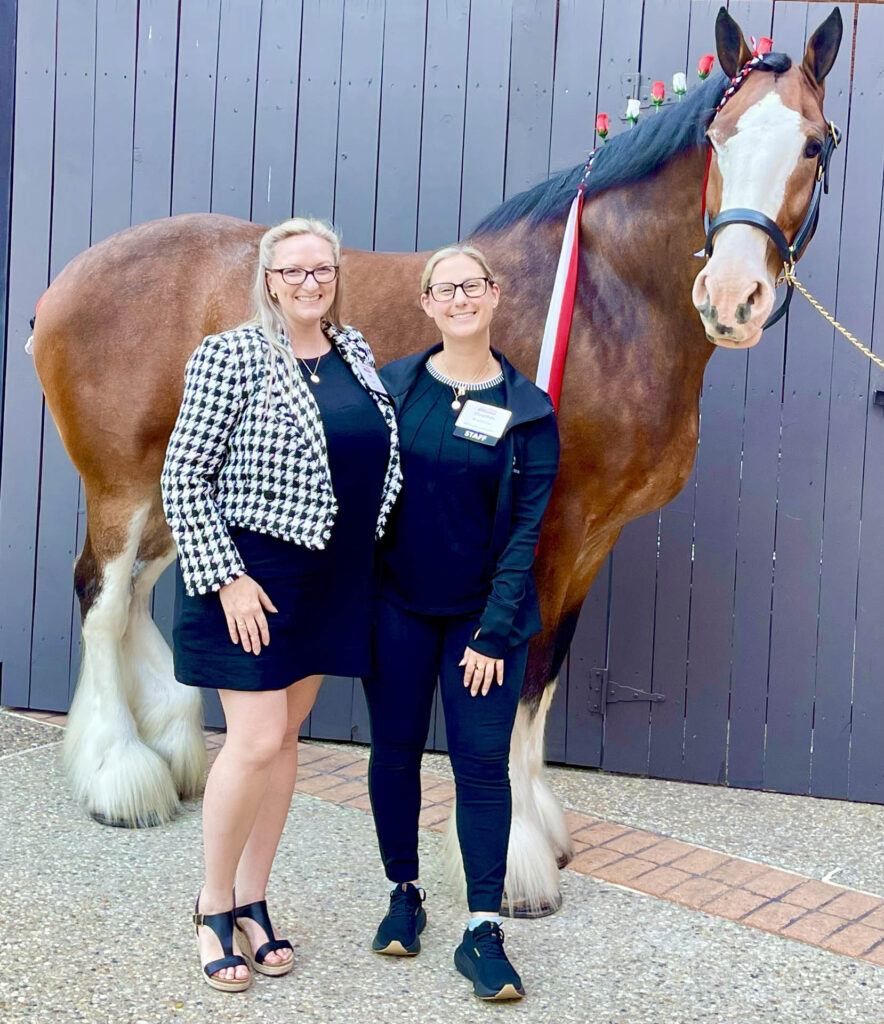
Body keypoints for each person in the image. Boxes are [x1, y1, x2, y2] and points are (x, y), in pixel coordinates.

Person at [161, 217, 401, 992]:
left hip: (335, 578)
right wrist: (226, 578)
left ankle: (254, 897)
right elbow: (183, 479)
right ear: (269, 279)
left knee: (288, 738)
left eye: (321, 270)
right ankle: (211, 904)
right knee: (255, 738)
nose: (308, 283)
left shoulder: (356, 354)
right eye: (292, 271)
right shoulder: (231, 354)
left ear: (336, 275)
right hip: (253, 578)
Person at [363, 244, 560, 1001]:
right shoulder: (394, 389)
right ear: (427, 303)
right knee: (396, 753)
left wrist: (492, 628)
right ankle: (403, 893)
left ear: (494, 294)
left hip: (485, 625)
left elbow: (526, 534)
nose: (460, 298)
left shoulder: (530, 411)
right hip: (398, 611)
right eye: (445, 289)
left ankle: (481, 931)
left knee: (481, 767)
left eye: (472, 285)